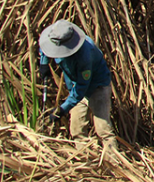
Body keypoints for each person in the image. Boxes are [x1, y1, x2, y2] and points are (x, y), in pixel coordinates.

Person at [38, 19, 117, 152]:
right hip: (76, 88)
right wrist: (44, 63)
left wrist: (63, 109)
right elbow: (45, 46)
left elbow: (81, 88)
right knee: (76, 129)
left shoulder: (85, 56)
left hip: (96, 87)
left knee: (103, 129)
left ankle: (114, 162)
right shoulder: (55, 35)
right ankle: (85, 159)